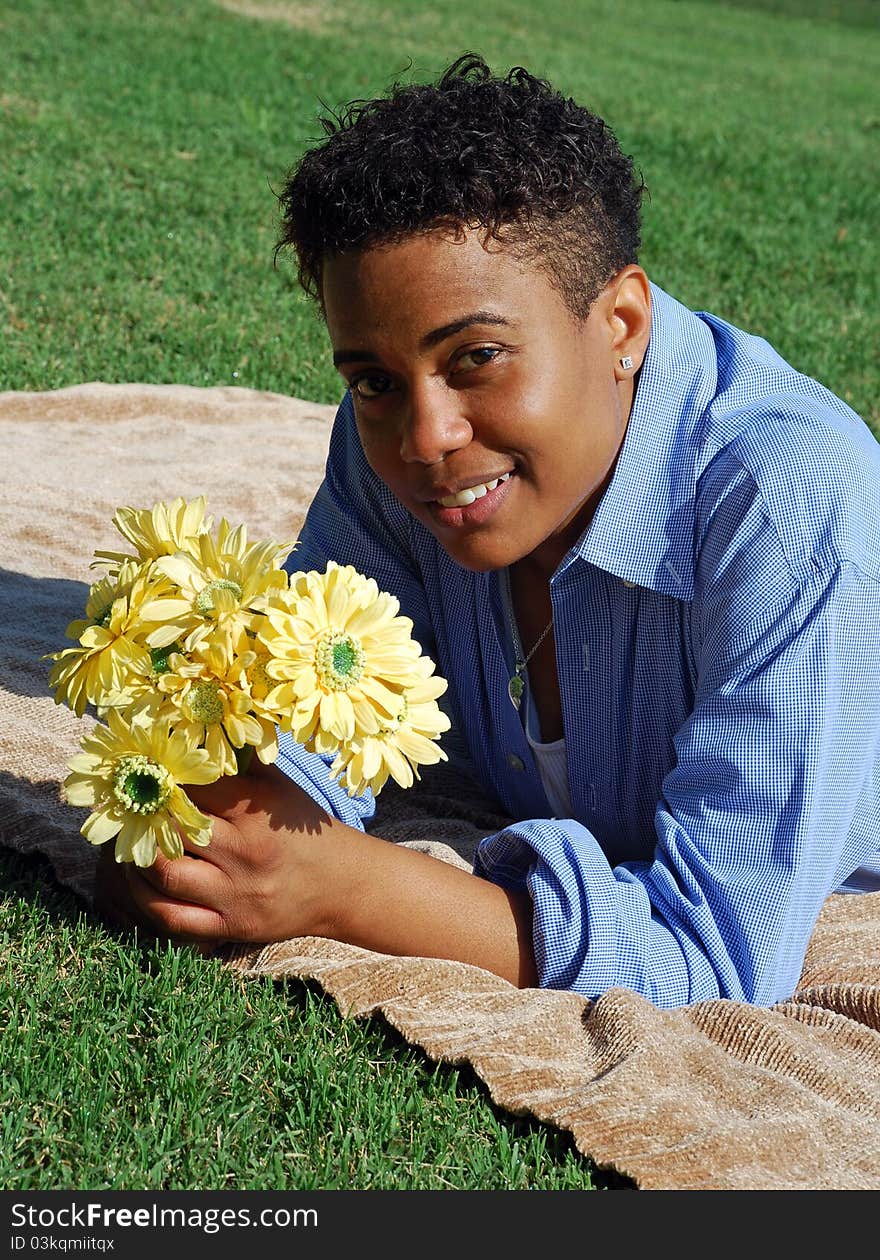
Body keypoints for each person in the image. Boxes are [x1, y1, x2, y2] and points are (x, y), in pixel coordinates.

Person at [96, 53, 880, 1010]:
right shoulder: (387, 443)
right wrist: (220, 835)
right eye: (373, 379)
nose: (426, 439)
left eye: (477, 357)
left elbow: (713, 956)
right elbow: (315, 709)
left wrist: (344, 888)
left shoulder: (788, 502)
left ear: (622, 321)